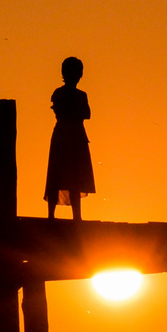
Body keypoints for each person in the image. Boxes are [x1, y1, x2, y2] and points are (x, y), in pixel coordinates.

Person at [44, 56, 94, 220]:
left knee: (76, 178)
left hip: (77, 138)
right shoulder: (59, 93)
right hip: (62, 138)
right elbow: (63, 112)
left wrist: (72, 111)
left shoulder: (81, 95)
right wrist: (74, 112)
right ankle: (51, 215)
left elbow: (87, 114)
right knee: (56, 176)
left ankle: (77, 217)